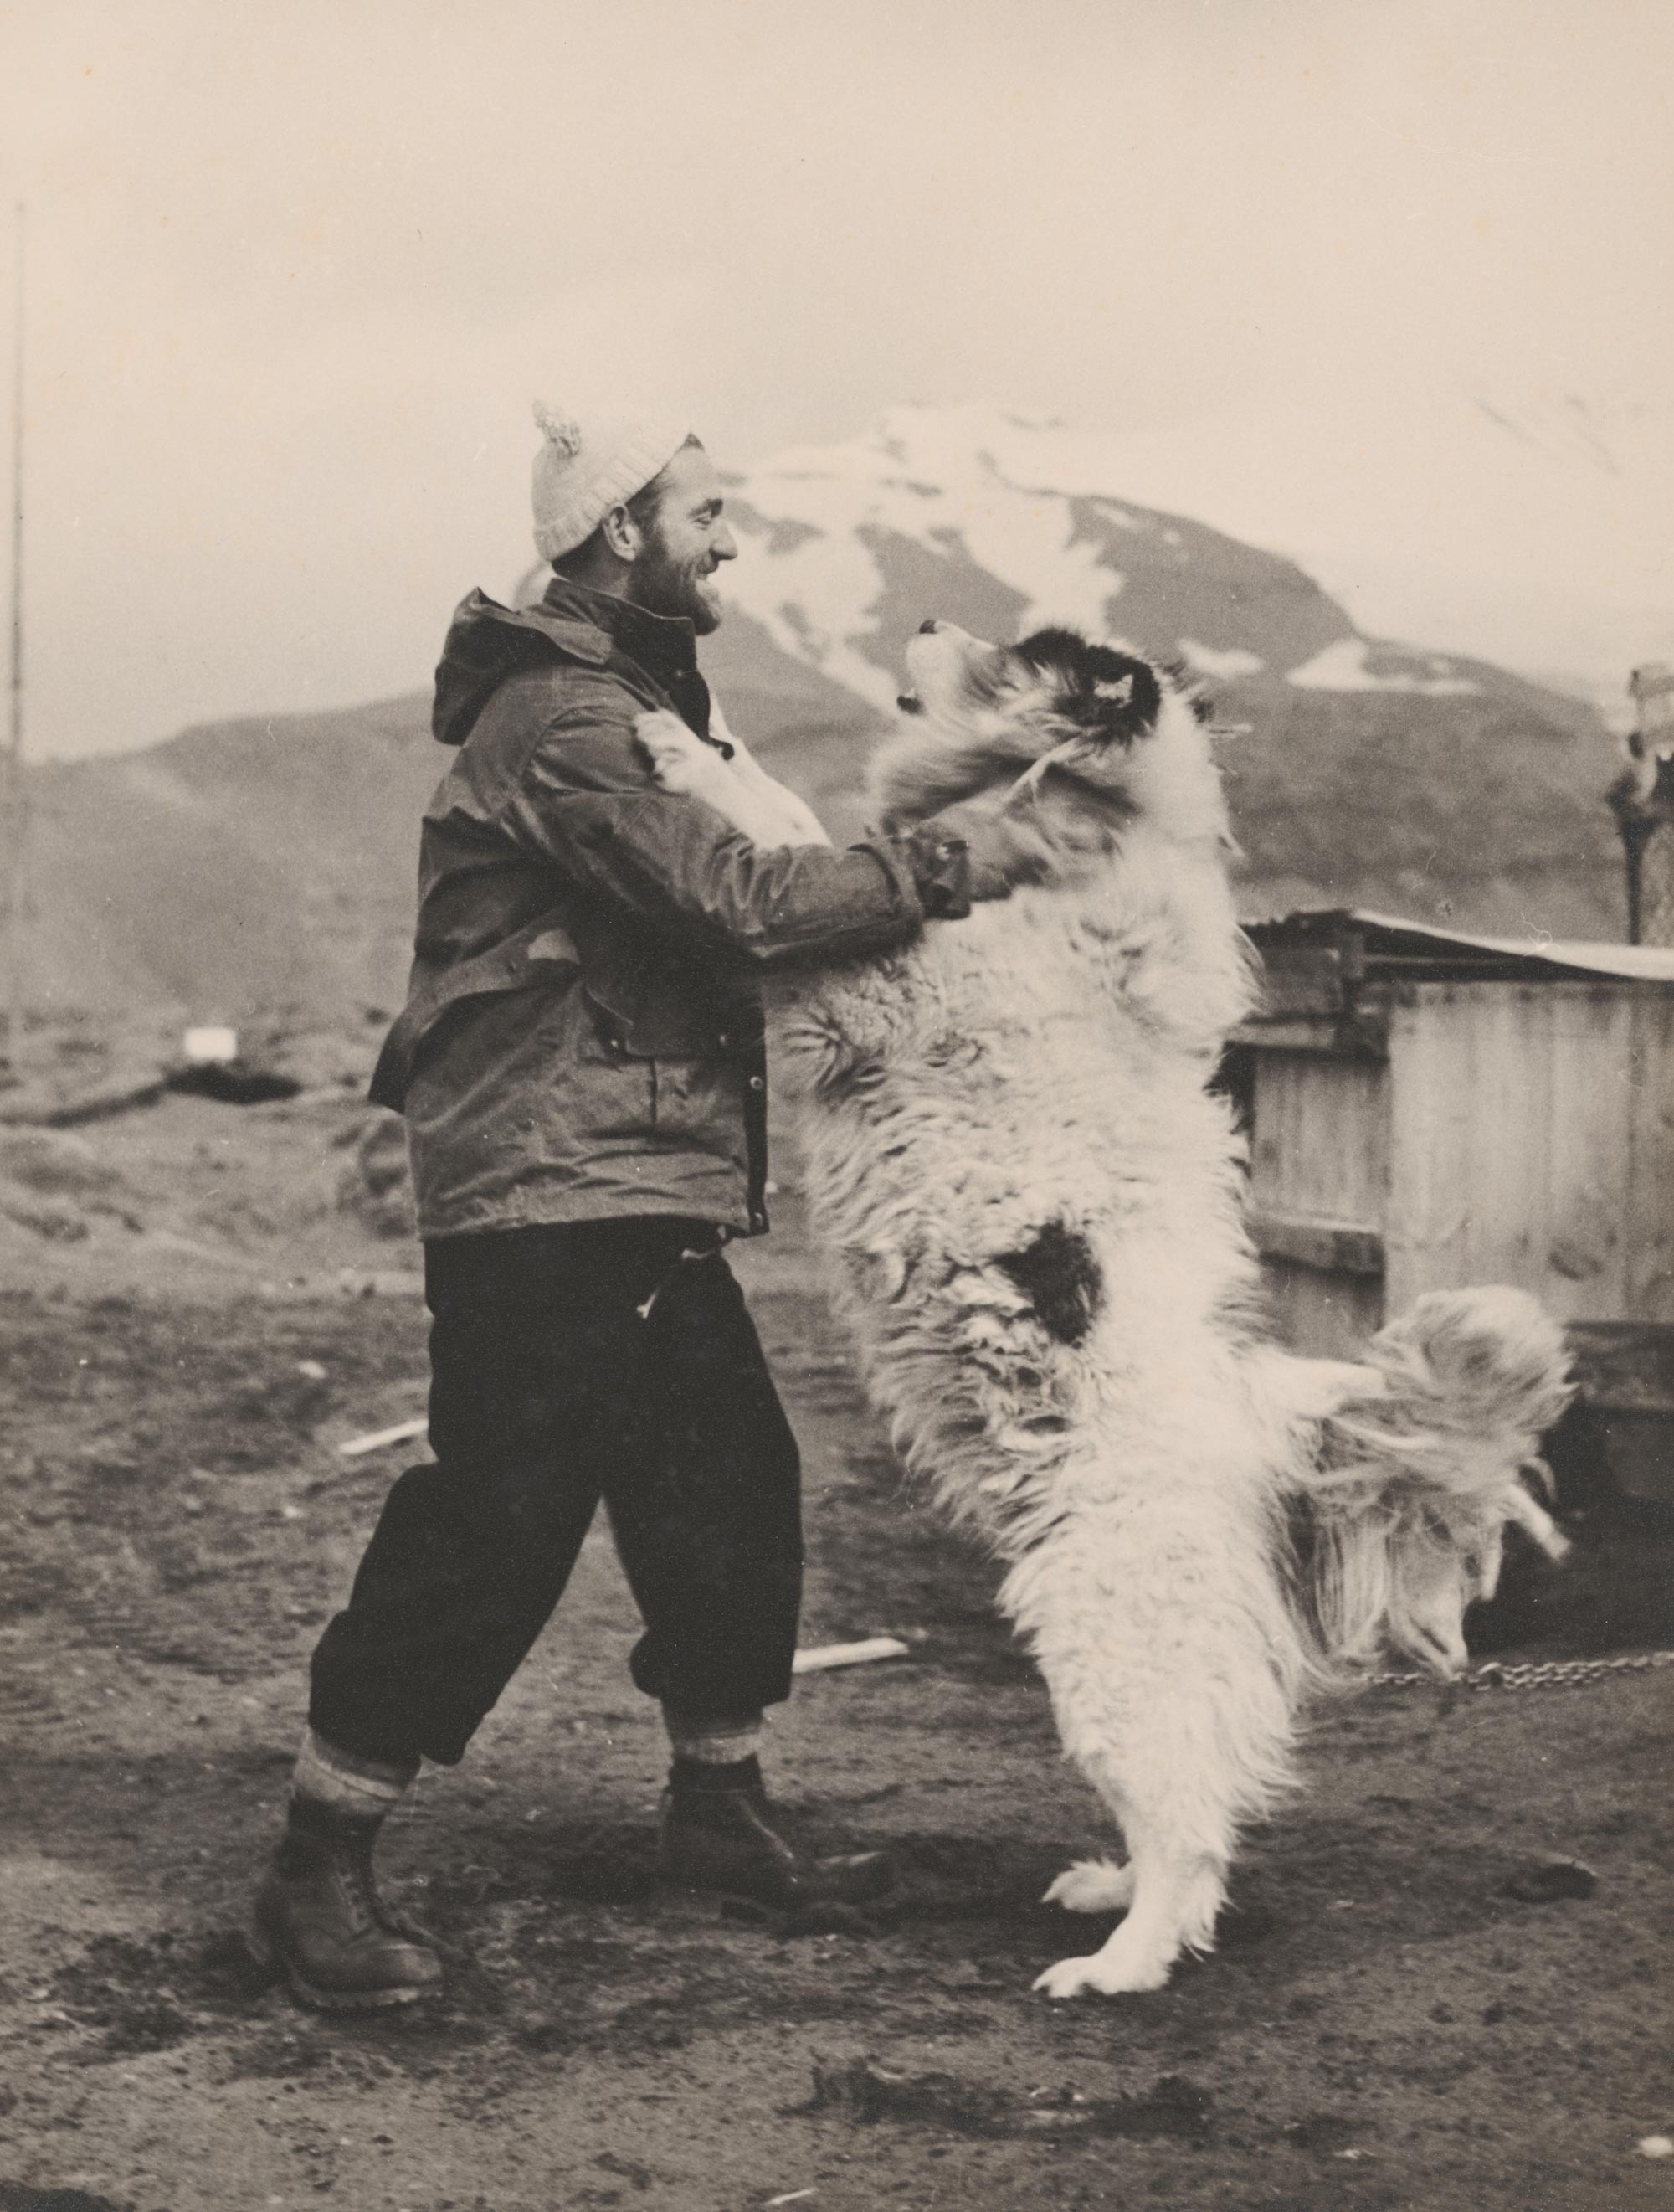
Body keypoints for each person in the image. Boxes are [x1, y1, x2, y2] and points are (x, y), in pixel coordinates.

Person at [249, 402, 1045, 2010]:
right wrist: (945, 865)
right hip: (548, 1181)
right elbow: (737, 900)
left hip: (630, 1173)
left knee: (728, 1480)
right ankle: (315, 1866)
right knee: (501, 1514)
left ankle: (717, 1805)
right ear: (622, 529)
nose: (732, 538)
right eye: (708, 513)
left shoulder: (644, 705)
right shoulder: (563, 717)